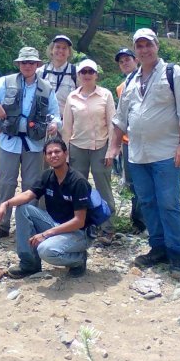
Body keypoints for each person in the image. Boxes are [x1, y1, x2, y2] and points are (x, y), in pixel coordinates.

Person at [111, 28, 180, 279]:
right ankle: (158, 247)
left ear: (157, 46)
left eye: (148, 44)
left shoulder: (173, 73)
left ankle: (177, 254)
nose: (144, 49)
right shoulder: (130, 80)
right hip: (137, 154)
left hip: (167, 153)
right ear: (135, 50)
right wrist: (114, 147)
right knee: (147, 202)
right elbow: (120, 117)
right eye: (139, 46)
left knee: (169, 203)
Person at [0, 47, 60, 238]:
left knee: (32, 186)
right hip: (9, 141)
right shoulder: (6, 82)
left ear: (37, 65)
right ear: (19, 64)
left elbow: (56, 114)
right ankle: (2, 225)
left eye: (32, 62)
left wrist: (55, 124)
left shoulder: (47, 88)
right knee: (6, 183)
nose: (28, 66)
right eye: (24, 62)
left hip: (35, 144)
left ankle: (29, 224)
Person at [0, 138, 92, 278]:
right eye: (49, 153)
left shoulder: (78, 181)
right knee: (23, 209)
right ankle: (30, 264)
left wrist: (45, 234)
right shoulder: (48, 176)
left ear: (66, 154)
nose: (53, 155)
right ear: (45, 157)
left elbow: (79, 221)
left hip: (78, 232)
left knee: (45, 250)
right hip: (55, 224)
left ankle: (78, 259)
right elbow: (29, 194)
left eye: (57, 151)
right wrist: (6, 204)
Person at [61, 58, 117, 244]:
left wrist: (111, 149)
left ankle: (107, 228)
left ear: (96, 75)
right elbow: (67, 127)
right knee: (78, 188)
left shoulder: (106, 95)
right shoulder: (72, 97)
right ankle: (80, 225)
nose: (86, 75)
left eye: (90, 72)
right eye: (83, 72)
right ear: (78, 75)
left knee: (103, 186)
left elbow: (112, 123)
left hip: (101, 146)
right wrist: (65, 153)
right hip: (77, 146)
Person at [114, 48, 146, 234]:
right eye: (121, 61)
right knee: (131, 181)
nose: (125, 63)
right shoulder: (121, 87)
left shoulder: (144, 79)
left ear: (136, 60)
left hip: (144, 138)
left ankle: (143, 220)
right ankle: (137, 219)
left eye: (128, 59)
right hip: (128, 140)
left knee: (143, 179)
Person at [37, 35, 77, 115]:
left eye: (64, 48)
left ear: (69, 52)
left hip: (66, 122)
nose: (60, 51)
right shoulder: (41, 72)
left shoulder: (76, 73)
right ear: (51, 50)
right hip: (42, 121)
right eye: (58, 47)